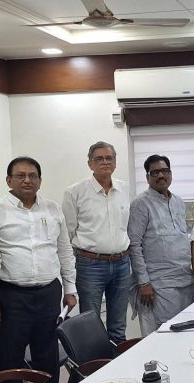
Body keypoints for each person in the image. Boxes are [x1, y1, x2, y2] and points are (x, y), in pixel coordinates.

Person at [0, 157, 76, 383]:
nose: (27, 180)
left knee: (47, 357)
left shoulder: (52, 209)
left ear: (40, 180)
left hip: (48, 293)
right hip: (10, 296)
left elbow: (64, 250)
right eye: (20, 175)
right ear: (9, 180)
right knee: (10, 359)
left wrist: (70, 288)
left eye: (33, 176)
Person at [63, 141, 133, 342]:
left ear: (115, 162)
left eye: (109, 158)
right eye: (99, 158)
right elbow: (67, 234)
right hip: (89, 265)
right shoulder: (74, 192)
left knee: (118, 326)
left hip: (122, 263)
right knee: (90, 325)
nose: (105, 162)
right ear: (90, 164)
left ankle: (117, 361)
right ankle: (95, 362)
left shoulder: (124, 189)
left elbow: (126, 226)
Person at [128, 155, 194, 336]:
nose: (161, 175)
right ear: (147, 177)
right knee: (163, 336)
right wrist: (144, 282)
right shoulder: (140, 204)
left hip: (185, 281)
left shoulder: (179, 202)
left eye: (165, 171)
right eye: (155, 172)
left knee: (187, 335)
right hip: (158, 285)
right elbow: (134, 245)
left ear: (170, 174)